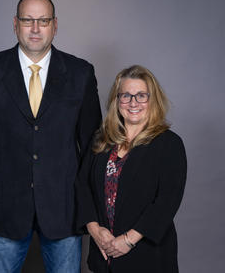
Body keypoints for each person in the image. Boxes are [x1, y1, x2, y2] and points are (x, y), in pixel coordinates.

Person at [0, 0, 101, 272]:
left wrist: (89, 209)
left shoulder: (80, 74)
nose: (36, 28)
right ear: (15, 24)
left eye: (43, 20)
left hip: (64, 208)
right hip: (4, 207)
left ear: (55, 25)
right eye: (28, 20)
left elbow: (92, 148)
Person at [75, 65, 187, 273]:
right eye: (125, 95)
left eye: (141, 96)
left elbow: (166, 202)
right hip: (104, 254)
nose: (133, 102)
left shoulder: (169, 144)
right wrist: (94, 229)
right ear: (117, 101)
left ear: (153, 100)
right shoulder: (101, 140)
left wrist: (128, 240)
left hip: (147, 256)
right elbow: (83, 186)